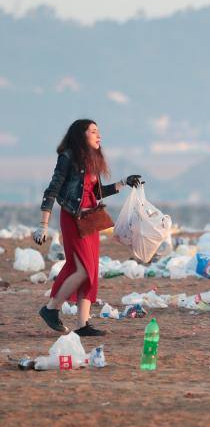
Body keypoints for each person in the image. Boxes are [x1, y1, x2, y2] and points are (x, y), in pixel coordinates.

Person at [34, 119, 142, 336]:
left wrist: (124, 182)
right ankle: (51, 309)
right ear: (80, 135)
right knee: (81, 269)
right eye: (93, 131)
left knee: (91, 270)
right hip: (73, 219)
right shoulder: (67, 157)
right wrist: (42, 225)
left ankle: (82, 324)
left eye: (98, 131)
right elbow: (52, 190)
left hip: (90, 219)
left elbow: (96, 192)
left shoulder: (93, 160)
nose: (98, 135)